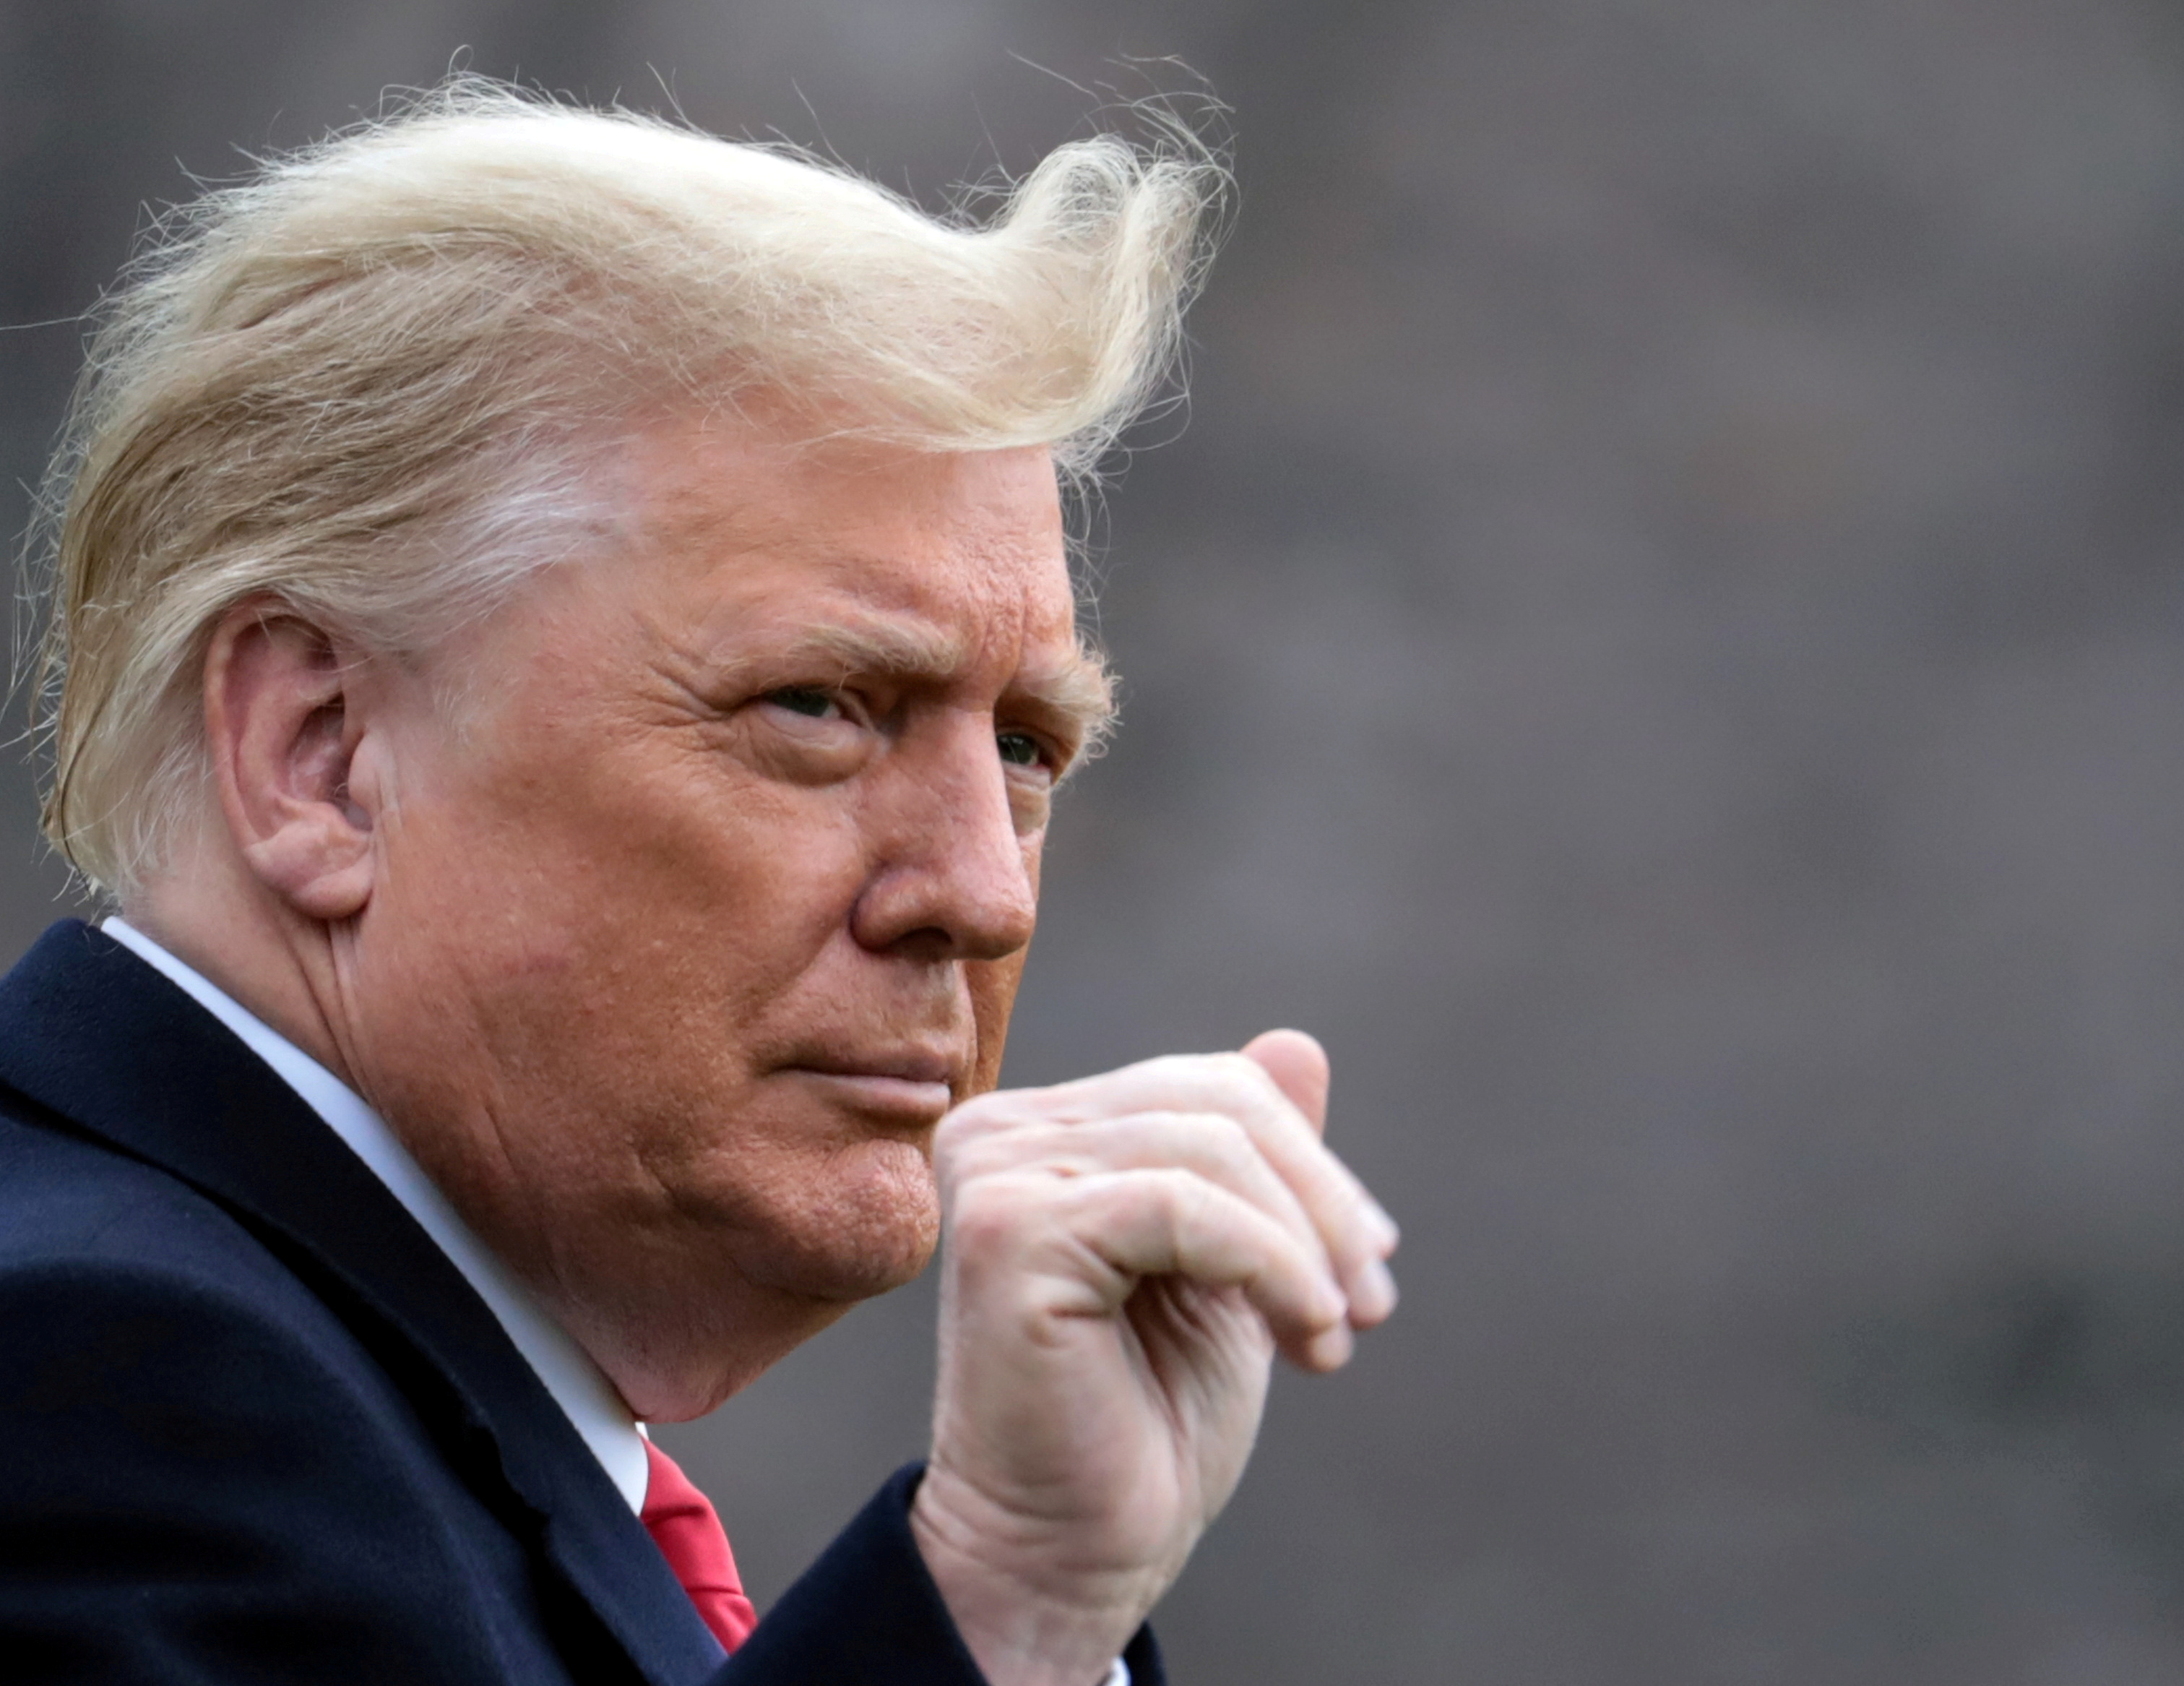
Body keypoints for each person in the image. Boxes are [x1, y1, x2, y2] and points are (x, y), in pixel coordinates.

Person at [0, 80, 1397, 1686]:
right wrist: (991, 1597)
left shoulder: (321, 1384)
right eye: (819, 707)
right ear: (321, 753)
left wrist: (1027, 1602)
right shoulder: (96, 1384)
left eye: (1023, 746)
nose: (980, 896)